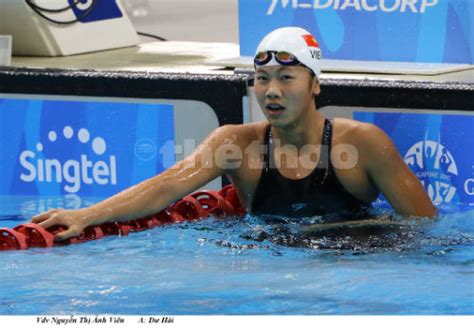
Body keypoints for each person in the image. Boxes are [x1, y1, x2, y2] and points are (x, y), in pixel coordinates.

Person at [32, 26, 437, 241]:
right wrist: (86, 215)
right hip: (265, 264)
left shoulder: (362, 143)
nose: (272, 90)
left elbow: (425, 225)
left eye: (286, 77)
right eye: (261, 78)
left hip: (352, 265)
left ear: (315, 85)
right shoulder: (235, 144)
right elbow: (164, 188)